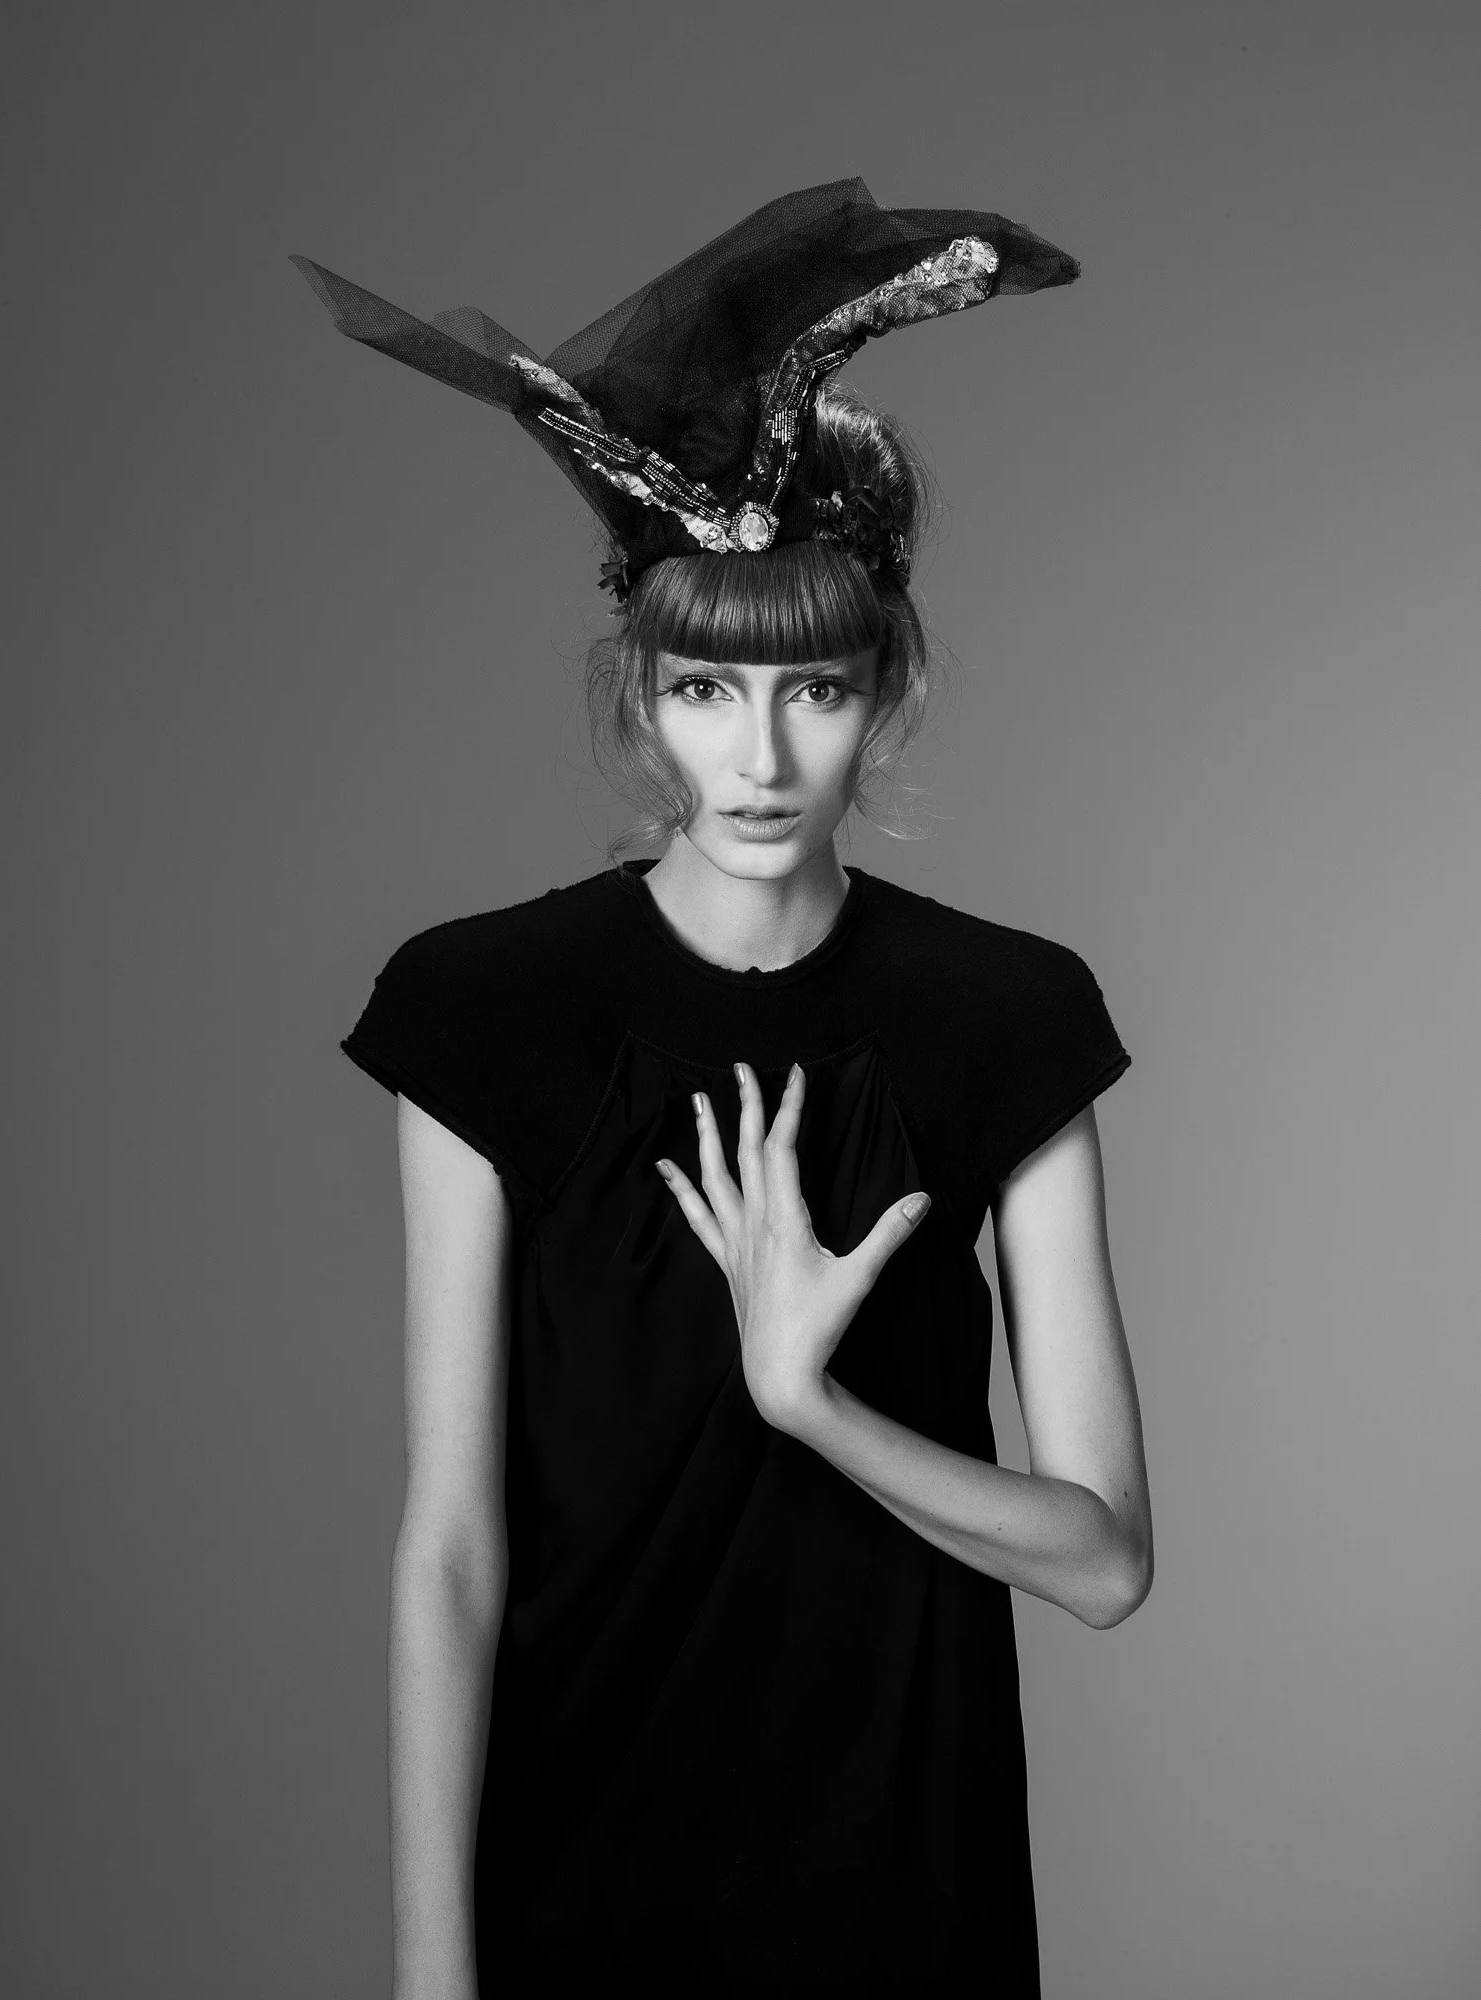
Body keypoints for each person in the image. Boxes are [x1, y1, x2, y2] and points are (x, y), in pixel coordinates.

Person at [297, 179, 1153, 1999]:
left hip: (899, 1899)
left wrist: (810, 1399)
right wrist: (429, 1978)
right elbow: (451, 1548)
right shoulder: (483, 1013)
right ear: (643, 691)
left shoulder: (1004, 1018)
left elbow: (1102, 1563)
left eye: (815, 691)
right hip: (570, 1883)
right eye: (706, 689)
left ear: (887, 690)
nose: (758, 757)